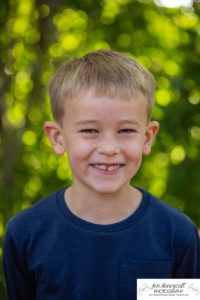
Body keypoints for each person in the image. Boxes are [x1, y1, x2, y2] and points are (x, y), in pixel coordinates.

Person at [3, 50, 200, 300]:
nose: (109, 148)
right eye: (90, 130)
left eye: (126, 130)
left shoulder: (177, 235)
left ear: (147, 138)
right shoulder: (24, 234)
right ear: (58, 138)